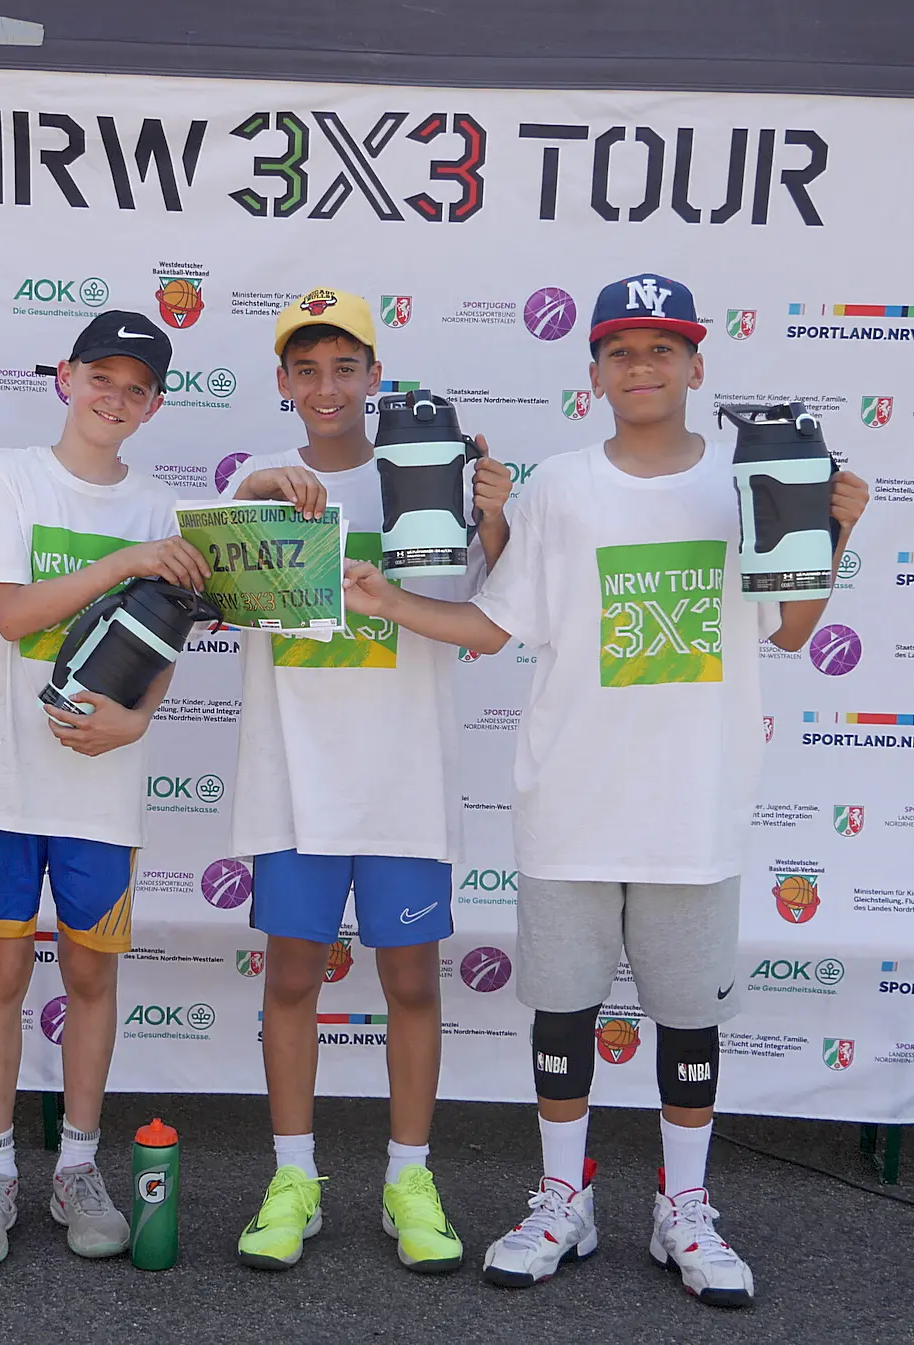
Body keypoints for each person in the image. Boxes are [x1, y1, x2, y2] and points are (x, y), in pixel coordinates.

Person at [342, 274, 869, 1307]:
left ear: (697, 366)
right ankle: (562, 1197)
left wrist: (835, 531)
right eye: (621, 351)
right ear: (592, 373)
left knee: (689, 1024)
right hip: (572, 802)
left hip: (693, 808)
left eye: (662, 349)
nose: (642, 367)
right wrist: (387, 599)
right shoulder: (559, 489)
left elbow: (793, 631)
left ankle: (685, 1207)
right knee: (563, 1016)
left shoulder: (747, 476)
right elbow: (496, 625)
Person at [225, 288, 513, 1273]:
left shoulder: (429, 471)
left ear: (375, 376)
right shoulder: (260, 485)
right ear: (282, 381)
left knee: (412, 983)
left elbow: (489, 610)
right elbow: (213, 593)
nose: (327, 386)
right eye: (306, 369)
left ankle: (408, 1179)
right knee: (291, 979)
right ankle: (293, 1177)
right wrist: (254, 493)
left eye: (345, 367)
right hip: (293, 780)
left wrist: (493, 516)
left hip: (404, 779)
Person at [0, 311, 211, 1267]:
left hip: (102, 786)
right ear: (66, 376)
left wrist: (139, 721)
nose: (115, 398)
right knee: (1, 975)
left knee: (91, 977)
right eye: (102, 377)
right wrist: (123, 561)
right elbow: (14, 616)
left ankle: (79, 1166)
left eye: (137, 388)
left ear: (155, 405)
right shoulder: (7, 476)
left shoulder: (164, 507)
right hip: (3, 782)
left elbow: (168, 635)